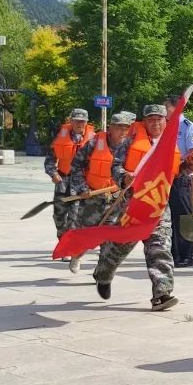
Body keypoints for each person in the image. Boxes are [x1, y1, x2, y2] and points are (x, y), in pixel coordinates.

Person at [93, 104, 193, 311]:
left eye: (159, 119)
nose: (155, 123)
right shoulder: (130, 141)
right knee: (120, 247)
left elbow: (175, 172)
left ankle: (162, 294)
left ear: (166, 121)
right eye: (150, 120)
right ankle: (103, 274)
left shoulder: (170, 142)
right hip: (133, 206)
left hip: (158, 206)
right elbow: (115, 166)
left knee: (160, 248)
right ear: (144, 121)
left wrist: (189, 165)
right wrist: (124, 177)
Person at [64, 111, 134, 273]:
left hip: (117, 198)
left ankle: (102, 273)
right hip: (93, 197)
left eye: (126, 128)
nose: (123, 132)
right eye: (119, 128)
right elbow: (76, 167)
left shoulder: (130, 146)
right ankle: (76, 255)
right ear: (110, 128)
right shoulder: (94, 143)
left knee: (109, 237)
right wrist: (83, 188)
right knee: (87, 233)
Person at [45, 108, 95, 256]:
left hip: (81, 184)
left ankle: (68, 248)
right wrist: (53, 173)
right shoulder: (60, 137)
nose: (80, 124)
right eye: (77, 121)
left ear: (87, 122)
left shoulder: (93, 139)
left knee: (74, 218)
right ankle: (63, 240)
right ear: (71, 121)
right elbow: (50, 159)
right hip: (63, 181)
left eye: (83, 121)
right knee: (59, 217)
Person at [163, 95, 193, 267]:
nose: (164, 111)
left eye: (167, 107)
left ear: (176, 108)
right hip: (165, 177)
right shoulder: (164, 126)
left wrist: (181, 165)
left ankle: (187, 255)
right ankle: (174, 253)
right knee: (169, 217)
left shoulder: (187, 127)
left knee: (183, 217)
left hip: (182, 177)